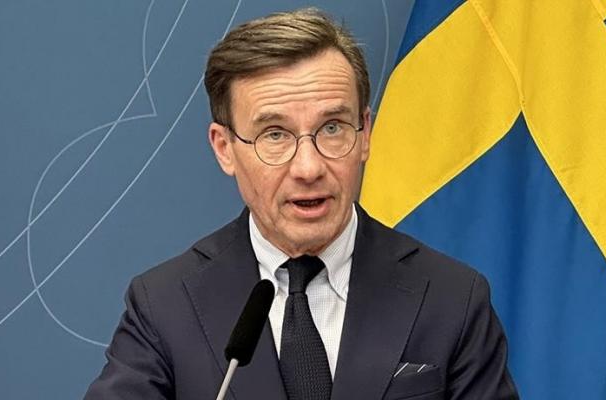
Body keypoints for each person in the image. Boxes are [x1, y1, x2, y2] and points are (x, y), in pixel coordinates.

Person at [85, 8, 518, 400]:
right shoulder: (165, 305)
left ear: (365, 134)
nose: (309, 167)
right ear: (224, 148)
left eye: (332, 128)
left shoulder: (451, 298)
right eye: (274, 135)